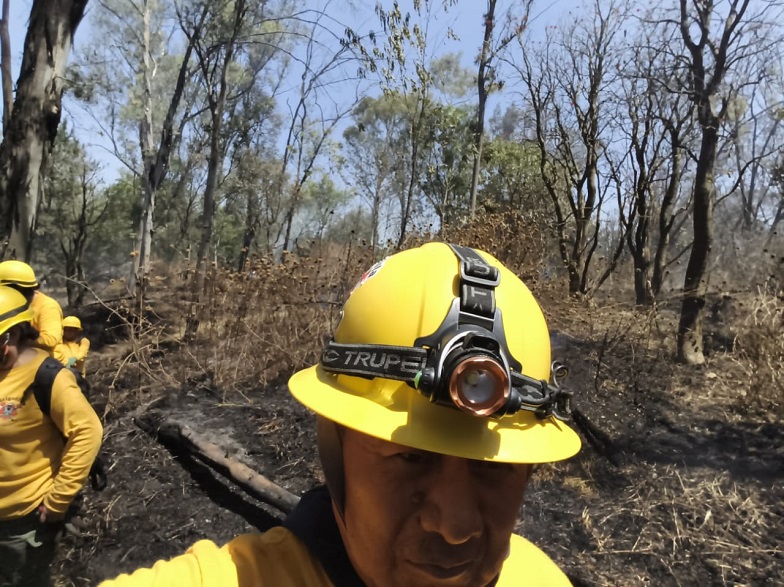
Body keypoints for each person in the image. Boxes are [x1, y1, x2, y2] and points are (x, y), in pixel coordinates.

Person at [101, 242, 582, 587]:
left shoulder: (541, 578)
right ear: (337, 452)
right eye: (413, 458)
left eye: (492, 468)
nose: (455, 525)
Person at [0, 286, 103, 586]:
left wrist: (59, 500)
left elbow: (87, 431)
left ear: (13, 335)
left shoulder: (47, 377)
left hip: (20, 522)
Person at [0, 261, 63, 356]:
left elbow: (50, 340)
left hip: (44, 365)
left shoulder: (48, 306)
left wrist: (20, 341)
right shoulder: (9, 305)